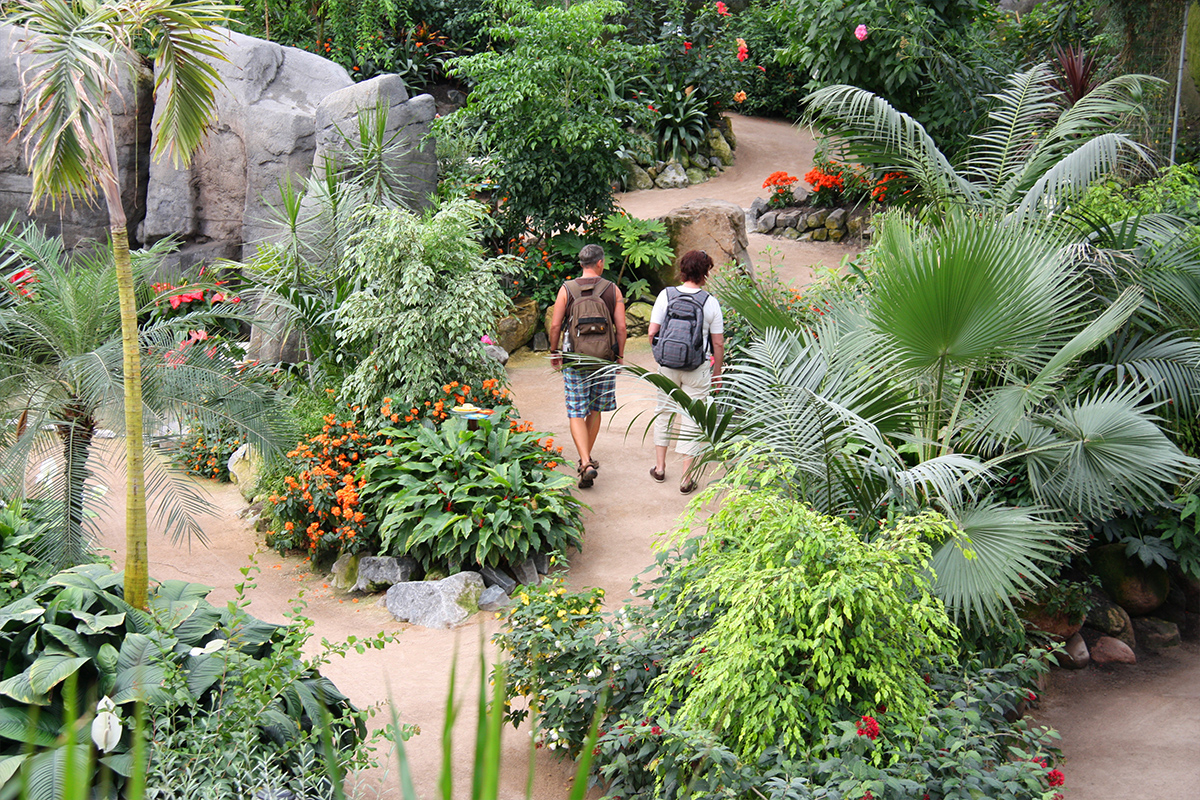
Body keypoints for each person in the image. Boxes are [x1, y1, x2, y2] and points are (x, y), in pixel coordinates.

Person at [548, 243, 627, 489]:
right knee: (595, 409)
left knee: (575, 411)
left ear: (581, 263)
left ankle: (585, 461)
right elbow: (621, 327)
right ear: (600, 263)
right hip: (603, 360)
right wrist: (619, 356)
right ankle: (586, 460)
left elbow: (555, 325)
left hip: (575, 359)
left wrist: (554, 351)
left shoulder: (567, 289)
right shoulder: (612, 290)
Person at [648, 249, 724, 494]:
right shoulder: (710, 302)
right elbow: (718, 343)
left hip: (667, 366)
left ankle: (660, 468)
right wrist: (717, 373)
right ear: (705, 273)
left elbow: (652, 332)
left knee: (663, 412)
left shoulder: (666, 295)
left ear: (682, 270)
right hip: (696, 367)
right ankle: (686, 478)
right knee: (692, 419)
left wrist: (662, 355)